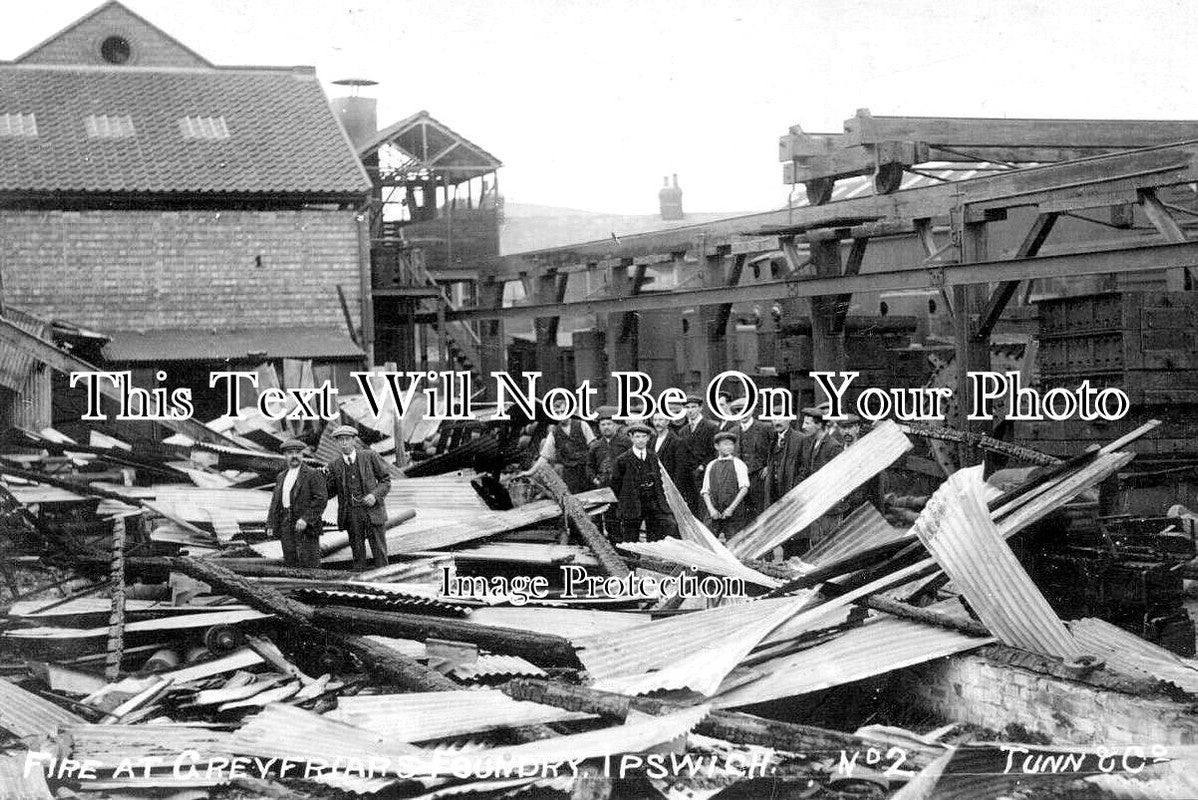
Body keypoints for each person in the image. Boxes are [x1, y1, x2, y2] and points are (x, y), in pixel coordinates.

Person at [325, 424, 392, 569]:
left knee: (380, 552)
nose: (344, 443)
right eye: (340, 440)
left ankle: (385, 579)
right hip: (351, 515)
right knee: (357, 554)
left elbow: (385, 481)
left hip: (372, 511)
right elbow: (329, 492)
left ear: (354, 440)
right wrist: (317, 481)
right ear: (337, 442)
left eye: (347, 439)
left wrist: (374, 496)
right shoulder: (334, 465)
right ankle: (361, 581)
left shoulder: (369, 456)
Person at [609, 422, 677, 543]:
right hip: (632, 504)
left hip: (651, 502)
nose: (640, 440)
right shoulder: (622, 460)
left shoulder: (653, 457)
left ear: (648, 438)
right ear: (631, 437)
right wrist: (625, 501)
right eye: (637, 437)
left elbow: (658, 481)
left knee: (658, 534)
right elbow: (615, 485)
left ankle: (652, 559)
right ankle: (632, 560)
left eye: (644, 437)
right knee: (631, 539)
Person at [266, 439, 328, 568]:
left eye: (298, 452)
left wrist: (306, 519)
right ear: (285, 455)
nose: (294, 456)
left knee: (309, 562)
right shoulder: (281, 476)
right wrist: (270, 524)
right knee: (290, 561)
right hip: (285, 524)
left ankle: (312, 587)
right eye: (290, 453)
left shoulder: (312, 473)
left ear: (302, 455)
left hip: (306, 527)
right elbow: (275, 502)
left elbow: (321, 499)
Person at [524, 396, 595, 494]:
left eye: (563, 411)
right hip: (569, 474)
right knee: (574, 502)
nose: (561, 415)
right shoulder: (554, 433)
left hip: (586, 470)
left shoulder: (582, 425)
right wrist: (530, 472)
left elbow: (593, 448)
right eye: (558, 413)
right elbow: (544, 457)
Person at [799, 405, 847, 548]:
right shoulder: (812, 443)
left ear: (819, 425)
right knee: (815, 543)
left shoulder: (834, 447)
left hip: (831, 508)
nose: (803, 427)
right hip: (816, 505)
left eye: (807, 423)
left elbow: (839, 479)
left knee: (831, 545)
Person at [701, 431, 751, 540]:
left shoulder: (738, 464)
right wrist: (711, 510)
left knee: (735, 543)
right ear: (716, 446)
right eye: (725, 444)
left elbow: (744, 488)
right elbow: (705, 491)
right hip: (714, 511)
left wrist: (731, 509)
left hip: (734, 512)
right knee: (708, 542)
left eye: (731, 444)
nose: (728, 447)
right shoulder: (711, 465)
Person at [676, 395, 717, 517]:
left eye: (693, 407)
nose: (690, 410)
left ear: (700, 408)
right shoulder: (683, 431)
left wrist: (702, 466)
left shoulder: (711, 427)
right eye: (687, 407)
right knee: (691, 508)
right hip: (688, 476)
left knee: (704, 508)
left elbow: (714, 452)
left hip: (704, 475)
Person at [731, 399, 772, 520]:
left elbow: (774, 450)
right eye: (739, 411)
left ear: (752, 410)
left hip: (758, 476)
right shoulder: (733, 431)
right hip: (740, 478)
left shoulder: (765, 428)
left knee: (759, 511)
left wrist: (768, 466)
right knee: (742, 512)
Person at [586, 406, 631, 489]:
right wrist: (595, 480)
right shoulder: (596, 446)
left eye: (609, 424)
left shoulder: (626, 442)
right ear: (599, 427)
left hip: (623, 485)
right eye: (603, 424)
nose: (606, 427)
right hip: (603, 485)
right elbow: (589, 467)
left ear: (614, 425)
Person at [765, 414, 804, 506]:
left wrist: (795, 485)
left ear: (789, 419)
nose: (777, 422)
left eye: (781, 419)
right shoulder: (772, 438)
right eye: (774, 419)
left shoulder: (800, 439)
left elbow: (804, 467)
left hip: (790, 489)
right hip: (773, 490)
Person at [650, 412, 682, 487]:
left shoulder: (676, 441)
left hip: (670, 485)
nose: (657, 423)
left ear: (668, 421)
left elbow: (679, 470)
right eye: (655, 420)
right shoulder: (652, 441)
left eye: (661, 420)